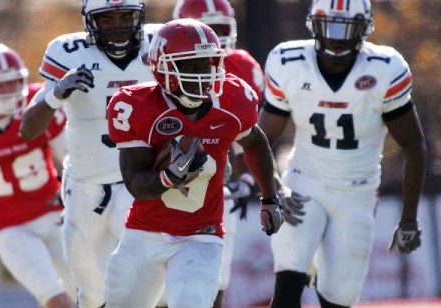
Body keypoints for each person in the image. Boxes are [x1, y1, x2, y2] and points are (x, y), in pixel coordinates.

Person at [103, 18, 283, 308]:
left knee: (191, 301)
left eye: (206, 64)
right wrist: (170, 176)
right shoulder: (136, 106)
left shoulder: (232, 98)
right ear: (162, 66)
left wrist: (269, 198)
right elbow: (136, 183)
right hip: (144, 232)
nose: (201, 74)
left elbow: (255, 141)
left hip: (201, 237)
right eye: (189, 66)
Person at [258, 0, 427, 307]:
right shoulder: (289, 62)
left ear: (363, 31)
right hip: (304, 182)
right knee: (288, 280)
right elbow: (260, 139)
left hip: (357, 191)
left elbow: (414, 145)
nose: (336, 38)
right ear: (314, 27)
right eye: (329, 27)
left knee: (339, 297)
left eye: (345, 29)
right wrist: (274, 189)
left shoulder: (384, 69)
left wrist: (408, 219)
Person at [20, 0, 155, 306]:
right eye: (108, 19)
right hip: (85, 187)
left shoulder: (158, 44)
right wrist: (56, 93)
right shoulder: (67, 53)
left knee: (144, 278)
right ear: (91, 23)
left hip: (139, 182)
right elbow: (28, 128)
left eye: (126, 17)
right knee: (91, 290)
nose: (119, 25)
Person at [0, 44, 75, 308]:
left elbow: (71, 158)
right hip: (9, 228)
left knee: (90, 293)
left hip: (54, 214)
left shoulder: (37, 104)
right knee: (56, 299)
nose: (8, 92)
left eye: (13, 82)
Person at [170, 1, 266, 306]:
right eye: (208, 29)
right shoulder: (159, 63)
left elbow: (250, 136)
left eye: (221, 29)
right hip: (165, 180)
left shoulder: (243, 67)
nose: (216, 37)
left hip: (218, 182)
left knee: (216, 275)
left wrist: (247, 180)